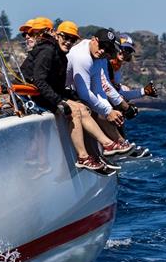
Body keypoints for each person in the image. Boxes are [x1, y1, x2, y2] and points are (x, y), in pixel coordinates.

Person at [20, 20, 119, 171]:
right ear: (57, 35)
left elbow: (58, 87)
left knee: (82, 107)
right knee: (74, 111)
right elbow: (39, 80)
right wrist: (59, 102)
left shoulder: (62, 57)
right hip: (30, 95)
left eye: (72, 40)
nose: (68, 42)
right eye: (65, 37)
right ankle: (84, 157)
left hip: (43, 94)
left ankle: (104, 147)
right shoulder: (48, 51)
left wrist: (73, 98)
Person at [65, 28, 134, 156]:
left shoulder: (98, 57)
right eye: (101, 46)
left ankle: (110, 148)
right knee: (89, 110)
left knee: (102, 109)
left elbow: (98, 89)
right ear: (93, 40)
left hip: (70, 91)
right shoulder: (82, 57)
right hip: (63, 90)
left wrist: (109, 110)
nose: (103, 51)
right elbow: (84, 93)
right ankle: (103, 149)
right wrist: (108, 111)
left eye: (107, 49)